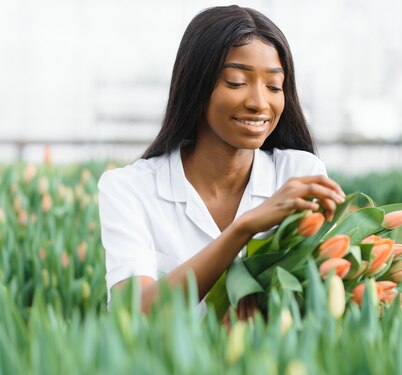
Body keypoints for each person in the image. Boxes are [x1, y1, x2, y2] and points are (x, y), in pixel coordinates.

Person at [98, 6, 345, 317]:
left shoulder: (300, 174)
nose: (258, 103)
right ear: (196, 85)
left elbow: (318, 301)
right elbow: (131, 312)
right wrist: (243, 228)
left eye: (273, 86)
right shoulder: (128, 189)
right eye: (237, 82)